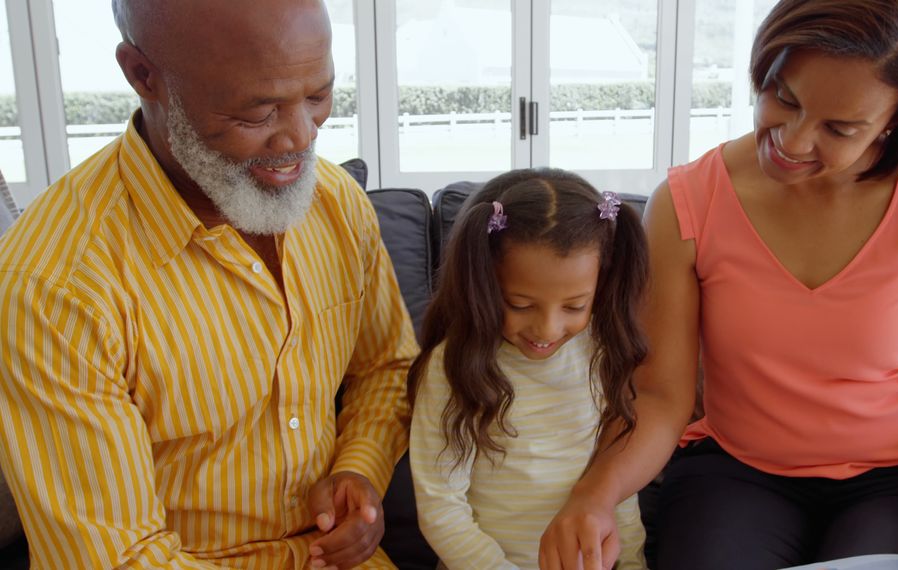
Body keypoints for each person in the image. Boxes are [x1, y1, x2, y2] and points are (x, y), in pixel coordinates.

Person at [541, 1, 898, 569]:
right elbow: (663, 396)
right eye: (783, 96)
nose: (792, 139)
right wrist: (594, 495)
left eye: (839, 128)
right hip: (738, 470)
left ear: (897, 119)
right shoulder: (688, 203)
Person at [0, 0, 417, 568]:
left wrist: (359, 470)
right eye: (257, 113)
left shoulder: (337, 204)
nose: (300, 137)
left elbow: (386, 367)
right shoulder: (56, 286)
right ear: (143, 75)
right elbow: (117, 558)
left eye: (318, 96)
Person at [408, 169, 649, 569]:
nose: (547, 329)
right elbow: (441, 508)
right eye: (520, 305)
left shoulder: (603, 352)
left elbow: (617, 484)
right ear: (484, 285)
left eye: (574, 306)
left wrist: (633, 563)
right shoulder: (452, 369)